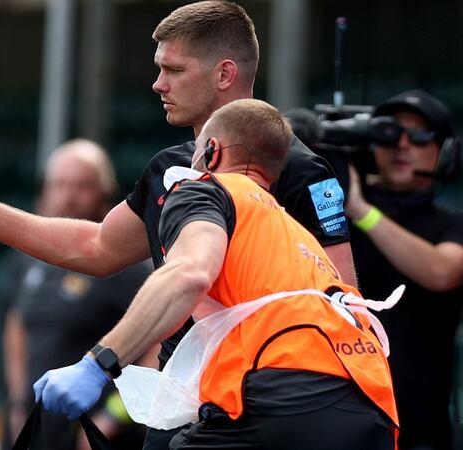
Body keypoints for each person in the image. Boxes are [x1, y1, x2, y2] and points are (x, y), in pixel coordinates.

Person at [0, 2, 354, 447]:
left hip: (265, 407)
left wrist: (97, 364)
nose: (158, 83)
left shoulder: (299, 170)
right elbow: (97, 247)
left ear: (224, 74)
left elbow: (343, 300)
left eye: (174, 70)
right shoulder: (167, 169)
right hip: (185, 404)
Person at [35, 98, 398, 450]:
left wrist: (97, 365)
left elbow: (189, 274)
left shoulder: (206, 190)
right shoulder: (296, 235)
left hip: (283, 396)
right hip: (370, 405)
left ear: (212, 150)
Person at [2, 139, 152, 449]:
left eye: (81, 185)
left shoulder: (128, 262)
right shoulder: (28, 258)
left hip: (95, 431)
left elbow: (159, 339)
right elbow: (17, 324)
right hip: (38, 425)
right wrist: (18, 403)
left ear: (106, 191)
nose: (69, 196)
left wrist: (113, 416)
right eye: (60, 184)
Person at [345, 89, 463, 450]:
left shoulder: (450, 223)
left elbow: (442, 272)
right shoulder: (337, 218)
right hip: (340, 419)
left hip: (419, 429)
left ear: (443, 151)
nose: (402, 145)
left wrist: (363, 211)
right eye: (389, 132)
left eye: (420, 135)